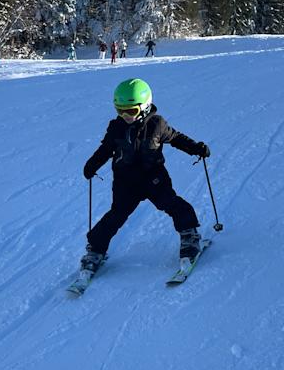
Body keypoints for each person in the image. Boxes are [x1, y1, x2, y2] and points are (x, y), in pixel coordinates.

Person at [77, 78, 210, 274]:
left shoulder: (157, 124)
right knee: (116, 215)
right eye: (120, 110)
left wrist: (195, 148)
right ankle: (95, 249)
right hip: (125, 182)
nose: (125, 116)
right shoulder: (116, 127)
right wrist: (92, 164)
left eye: (131, 111)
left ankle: (189, 235)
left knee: (171, 203)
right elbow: (105, 149)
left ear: (145, 106)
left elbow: (176, 138)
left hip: (153, 178)